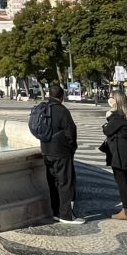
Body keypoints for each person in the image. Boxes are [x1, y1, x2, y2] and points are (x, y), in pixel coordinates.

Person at [39, 85, 82, 224]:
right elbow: (71, 132)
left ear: (49, 95)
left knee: (53, 182)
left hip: (46, 150)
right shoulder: (62, 111)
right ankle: (66, 215)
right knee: (65, 183)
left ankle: (56, 212)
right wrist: (72, 147)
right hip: (61, 152)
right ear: (62, 97)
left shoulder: (43, 109)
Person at [100, 89, 127, 221]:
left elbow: (107, 130)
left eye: (111, 97)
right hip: (124, 151)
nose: (109, 99)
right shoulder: (126, 115)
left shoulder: (118, 115)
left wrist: (108, 116)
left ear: (116, 100)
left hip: (118, 153)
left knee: (122, 181)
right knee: (126, 180)